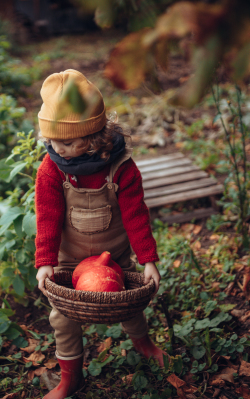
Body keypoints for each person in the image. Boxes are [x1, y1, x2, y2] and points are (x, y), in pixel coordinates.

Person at [34, 69, 167, 399]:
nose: (57, 148)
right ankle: (71, 378)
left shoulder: (121, 167)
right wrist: (45, 262)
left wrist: (148, 259)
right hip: (69, 260)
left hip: (116, 255)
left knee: (129, 304)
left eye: (66, 142)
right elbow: (47, 219)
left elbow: (136, 216)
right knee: (63, 317)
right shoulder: (51, 170)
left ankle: (144, 344)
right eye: (51, 141)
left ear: (92, 137)